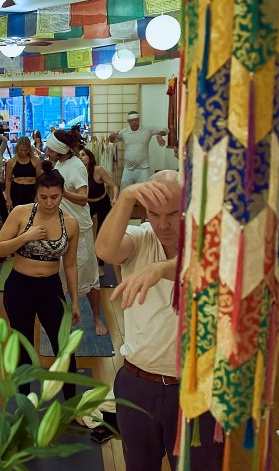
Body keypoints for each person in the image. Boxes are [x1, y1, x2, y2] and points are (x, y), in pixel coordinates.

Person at [94, 171, 223, 471]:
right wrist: (126, 196)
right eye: (154, 213)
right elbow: (105, 250)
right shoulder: (140, 238)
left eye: (173, 214)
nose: (163, 224)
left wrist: (160, 270)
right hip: (138, 383)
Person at [0, 161, 80, 399]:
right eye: (44, 197)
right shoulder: (21, 213)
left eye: (55, 197)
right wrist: (25, 237)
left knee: (64, 347)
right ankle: (24, 402)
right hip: (20, 286)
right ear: (37, 195)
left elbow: (70, 265)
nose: (49, 203)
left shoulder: (70, 224)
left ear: (62, 194)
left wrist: (74, 302)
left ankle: (72, 404)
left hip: (51, 288)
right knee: (23, 347)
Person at [45, 130, 107, 336]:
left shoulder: (77, 166)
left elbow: (83, 198)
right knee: (61, 274)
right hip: (61, 226)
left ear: (61, 150)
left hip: (81, 228)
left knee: (88, 276)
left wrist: (62, 192)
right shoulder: (59, 165)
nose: (47, 151)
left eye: (50, 148)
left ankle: (97, 318)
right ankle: (64, 316)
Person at [79, 148, 117, 277]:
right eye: (79, 155)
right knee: (85, 232)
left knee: (102, 232)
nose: (81, 157)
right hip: (88, 204)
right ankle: (87, 263)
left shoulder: (98, 169)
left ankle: (100, 265)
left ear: (90, 157)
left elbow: (114, 186)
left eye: (83, 155)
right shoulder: (79, 172)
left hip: (103, 202)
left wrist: (115, 198)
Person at [116, 111, 169, 189]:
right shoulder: (124, 132)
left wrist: (159, 135)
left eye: (136, 120)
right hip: (128, 168)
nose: (134, 122)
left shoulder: (147, 129)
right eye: (132, 120)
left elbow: (166, 129)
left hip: (143, 168)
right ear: (128, 121)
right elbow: (113, 140)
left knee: (145, 191)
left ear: (139, 119)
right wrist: (111, 136)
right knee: (125, 191)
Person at [5, 136, 41, 209]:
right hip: (17, 191)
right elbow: (8, 181)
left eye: (25, 150)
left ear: (29, 149)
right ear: (17, 149)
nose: (23, 153)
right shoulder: (11, 161)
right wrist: (8, 199)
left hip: (31, 190)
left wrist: (38, 195)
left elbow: (39, 180)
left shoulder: (36, 160)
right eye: (21, 150)